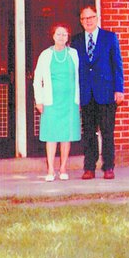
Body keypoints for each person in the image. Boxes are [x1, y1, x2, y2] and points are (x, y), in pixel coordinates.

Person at [71, 5, 124, 180]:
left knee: (107, 132)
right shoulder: (76, 40)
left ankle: (108, 167)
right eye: (84, 18)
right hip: (86, 94)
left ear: (97, 17)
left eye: (91, 17)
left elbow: (117, 65)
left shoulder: (109, 37)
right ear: (81, 21)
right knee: (89, 133)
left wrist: (119, 89)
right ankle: (89, 168)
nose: (88, 21)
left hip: (106, 93)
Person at [33, 23, 81, 182]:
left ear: (68, 37)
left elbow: (78, 77)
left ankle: (63, 168)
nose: (61, 37)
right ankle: (50, 170)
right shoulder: (45, 55)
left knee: (66, 136)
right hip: (51, 102)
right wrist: (39, 101)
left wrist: (79, 99)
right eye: (58, 34)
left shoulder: (73, 54)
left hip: (69, 101)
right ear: (53, 36)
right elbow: (37, 79)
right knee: (51, 136)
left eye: (65, 35)